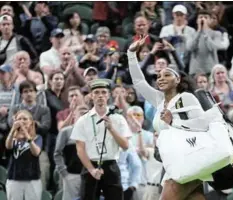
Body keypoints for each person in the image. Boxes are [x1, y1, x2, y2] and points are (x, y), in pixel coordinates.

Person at [128, 35, 207, 200]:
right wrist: (131, 54)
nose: (161, 78)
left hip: (188, 160)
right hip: (170, 162)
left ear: (177, 79)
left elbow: (203, 125)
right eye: (159, 76)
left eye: (167, 75)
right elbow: (139, 82)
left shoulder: (187, 98)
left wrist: (174, 121)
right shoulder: (159, 100)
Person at [70, 78, 131, 200]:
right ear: (91, 96)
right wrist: (91, 170)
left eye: (103, 92)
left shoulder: (118, 119)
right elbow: (80, 149)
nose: (100, 96)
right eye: (96, 92)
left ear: (108, 95)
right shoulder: (83, 120)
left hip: (111, 166)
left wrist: (112, 129)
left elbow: (125, 146)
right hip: (90, 165)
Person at [5, 110, 43, 200]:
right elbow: (8, 146)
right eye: (19, 119)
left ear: (31, 122)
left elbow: (36, 152)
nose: (22, 121)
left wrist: (26, 134)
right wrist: (13, 130)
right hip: (14, 178)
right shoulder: (13, 139)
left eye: (25, 119)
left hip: (32, 179)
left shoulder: (37, 138)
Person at [54, 105, 89, 200]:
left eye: (86, 113)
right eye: (81, 113)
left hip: (89, 175)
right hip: (71, 174)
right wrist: (64, 172)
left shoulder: (94, 133)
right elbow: (57, 153)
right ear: (74, 115)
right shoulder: (66, 132)